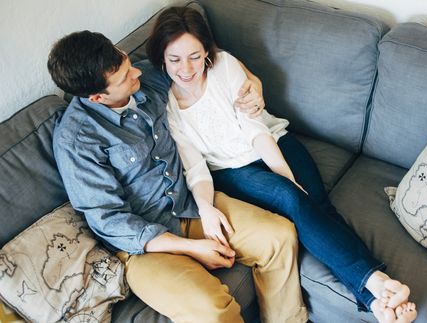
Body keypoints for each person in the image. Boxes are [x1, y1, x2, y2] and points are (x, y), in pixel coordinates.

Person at [146, 6, 418, 323]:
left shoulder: (225, 67)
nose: (186, 68)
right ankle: (377, 281)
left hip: (274, 141)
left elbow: (256, 130)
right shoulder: (167, 109)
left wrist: (285, 175)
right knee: (292, 199)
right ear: (162, 58)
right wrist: (206, 207)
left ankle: (374, 301)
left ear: (207, 51)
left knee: (316, 207)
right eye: (174, 59)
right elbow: (195, 168)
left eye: (194, 56)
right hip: (232, 171)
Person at [47, 30, 309, 323]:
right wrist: (191, 248)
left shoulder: (147, 77)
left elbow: (209, 58)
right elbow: (109, 220)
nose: (136, 71)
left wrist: (254, 84)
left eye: (125, 61)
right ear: (97, 97)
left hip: (191, 204)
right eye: (124, 77)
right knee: (211, 310)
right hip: (143, 247)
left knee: (279, 236)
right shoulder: (76, 141)